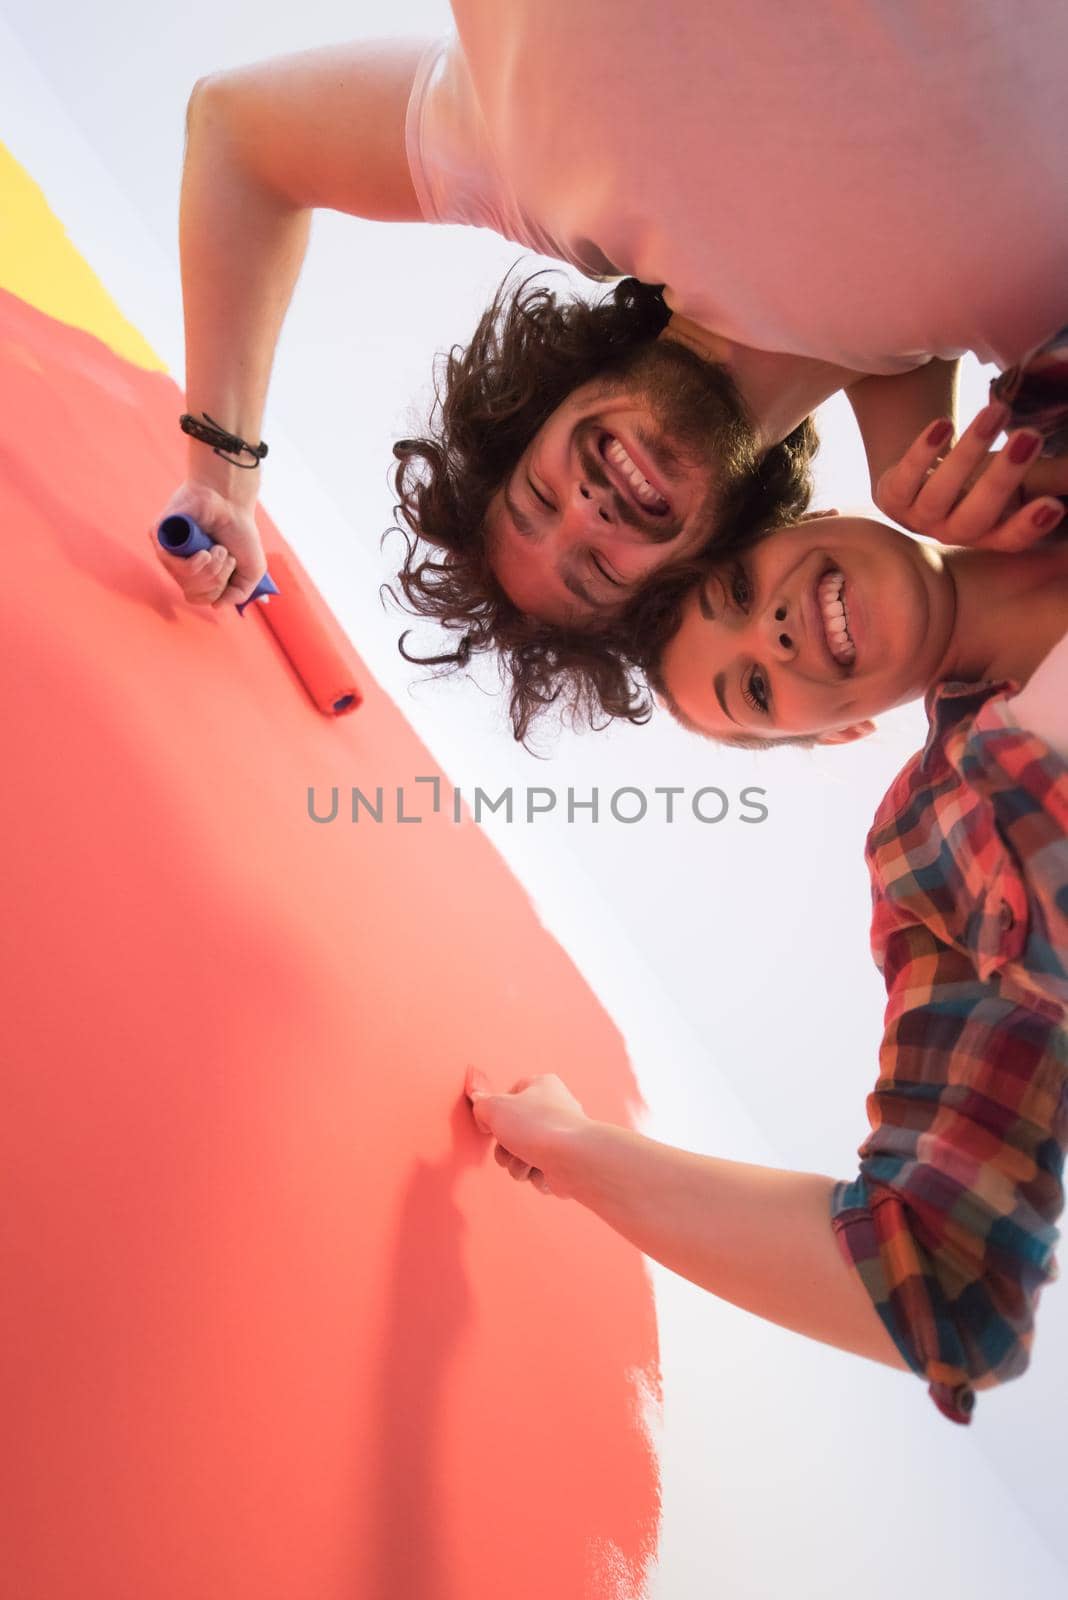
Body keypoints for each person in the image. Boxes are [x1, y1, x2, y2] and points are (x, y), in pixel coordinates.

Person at [155, 3, 1068, 737]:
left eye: (536, 501)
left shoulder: (539, 168)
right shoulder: (995, 335)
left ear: (535, 414)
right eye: (598, 569)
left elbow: (237, 134)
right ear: (714, 559)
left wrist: (223, 480)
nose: (586, 514)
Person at [467, 457, 1068, 1423]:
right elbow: (943, 1285)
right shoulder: (939, 839)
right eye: (753, 688)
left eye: (739, 587)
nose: (773, 632)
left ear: (815, 514)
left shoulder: (1031, 420)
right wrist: (576, 1150)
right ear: (839, 735)